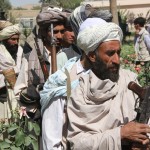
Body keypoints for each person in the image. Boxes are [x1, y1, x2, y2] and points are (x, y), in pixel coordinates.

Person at [67, 18, 150, 150]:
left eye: (119, 52)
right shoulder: (80, 94)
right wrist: (120, 135)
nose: (117, 60)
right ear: (92, 56)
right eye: (110, 53)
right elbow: (78, 143)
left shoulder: (130, 80)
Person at [40, 4, 113, 150]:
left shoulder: (115, 76)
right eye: (110, 52)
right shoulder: (63, 79)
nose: (115, 58)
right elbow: (52, 139)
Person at [0, 23, 24, 119]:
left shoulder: (20, 50)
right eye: (13, 39)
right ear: (5, 40)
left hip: (17, 90)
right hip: (3, 92)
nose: (16, 42)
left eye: (17, 39)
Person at [134, 17, 150, 84]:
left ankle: (146, 86)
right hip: (138, 58)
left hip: (144, 59)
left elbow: (149, 46)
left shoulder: (145, 34)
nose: (134, 26)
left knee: (145, 75)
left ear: (137, 25)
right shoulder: (138, 34)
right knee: (138, 74)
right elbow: (136, 45)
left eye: (135, 24)